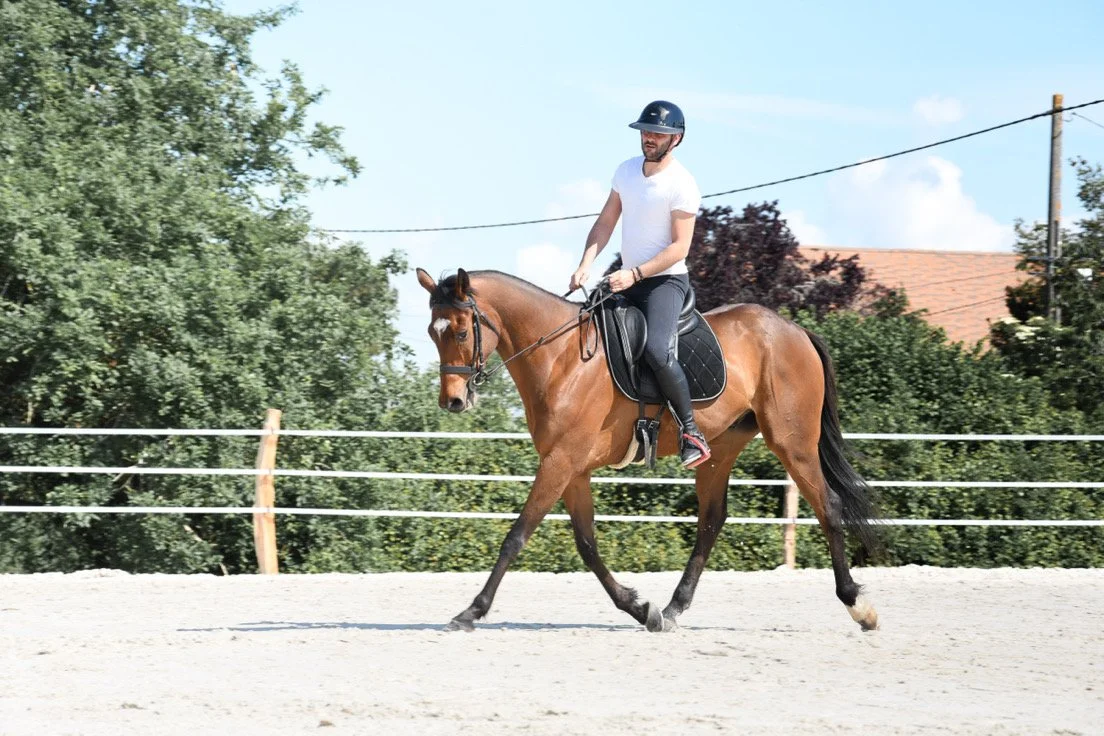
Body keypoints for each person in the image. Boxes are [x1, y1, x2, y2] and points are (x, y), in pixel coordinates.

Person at [569, 100, 710, 469]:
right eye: (646, 131)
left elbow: (680, 246)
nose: (649, 138)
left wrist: (634, 274)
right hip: (627, 278)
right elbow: (605, 222)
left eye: (658, 134)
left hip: (665, 282)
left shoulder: (683, 184)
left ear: (675, 139)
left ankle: (691, 431)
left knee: (657, 350)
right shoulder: (626, 171)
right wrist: (586, 263)